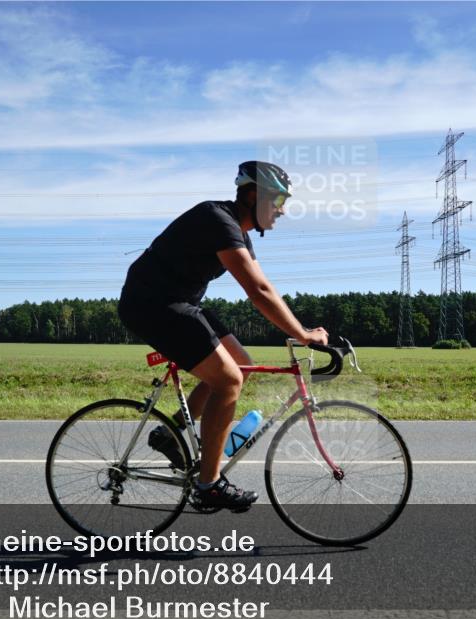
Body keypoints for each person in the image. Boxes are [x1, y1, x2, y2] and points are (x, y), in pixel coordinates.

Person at [118, 161, 329, 511]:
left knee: (242, 365)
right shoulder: (217, 220)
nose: (282, 210)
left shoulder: (238, 232)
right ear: (252, 196)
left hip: (178, 302)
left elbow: (265, 286)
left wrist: (301, 329)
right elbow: (258, 291)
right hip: (153, 304)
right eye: (277, 200)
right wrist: (303, 334)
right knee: (229, 380)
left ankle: (168, 433)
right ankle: (208, 485)